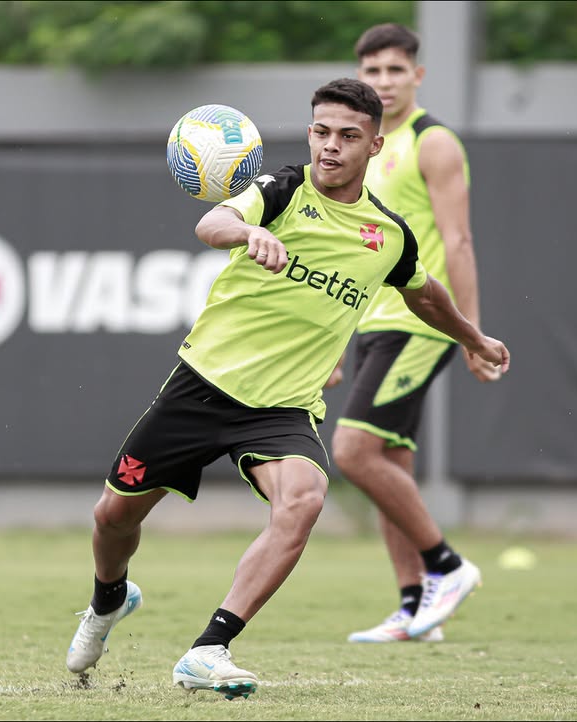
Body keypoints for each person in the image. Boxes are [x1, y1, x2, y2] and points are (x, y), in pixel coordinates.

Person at [63, 77, 510, 700]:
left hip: (282, 408)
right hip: (203, 386)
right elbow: (212, 222)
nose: (331, 147)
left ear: (374, 147)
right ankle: (108, 600)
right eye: (321, 132)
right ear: (310, 134)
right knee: (112, 517)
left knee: (303, 498)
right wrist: (249, 232)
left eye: (348, 136)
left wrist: (472, 337)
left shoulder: (387, 235)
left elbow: (425, 293)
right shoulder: (280, 189)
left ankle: (209, 648)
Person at [328, 23, 503, 645]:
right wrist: (334, 342)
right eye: (372, 72)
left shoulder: (433, 144)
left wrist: (472, 334)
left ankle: (448, 569)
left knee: (352, 453)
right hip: (372, 323)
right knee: (390, 465)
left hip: (421, 323)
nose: (383, 82)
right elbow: (356, 255)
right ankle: (412, 610)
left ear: (416, 76)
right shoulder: (363, 147)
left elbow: (457, 241)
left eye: (395, 71)